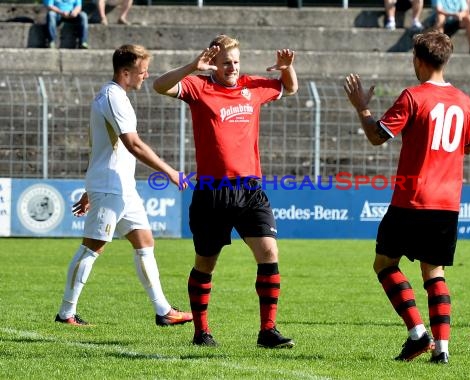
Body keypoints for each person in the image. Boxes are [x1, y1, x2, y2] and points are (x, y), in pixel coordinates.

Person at [153, 34, 298, 348]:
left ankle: (267, 331)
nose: (232, 67)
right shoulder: (198, 86)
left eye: (235, 62)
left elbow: (290, 88)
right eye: (225, 63)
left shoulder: (253, 86)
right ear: (213, 63)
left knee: (269, 252)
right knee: (206, 263)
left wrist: (286, 69)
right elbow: (159, 86)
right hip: (212, 193)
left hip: (249, 189)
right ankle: (201, 332)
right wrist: (193, 66)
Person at [343, 31, 470, 364]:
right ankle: (442, 350)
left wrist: (362, 108)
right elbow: (468, 146)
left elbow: (377, 136)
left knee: (385, 264)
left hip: (413, 198)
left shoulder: (414, 97)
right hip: (447, 203)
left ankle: (418, 333)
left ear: (418, 60)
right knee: (435, 272)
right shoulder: (463, 100)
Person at [55, 44, 193, 328]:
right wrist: (170, 172)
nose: (146, 75)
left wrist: (91, 187)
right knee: (93, 247)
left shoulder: (116, 96)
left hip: (119, 186)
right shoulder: (113, 97)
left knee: (145, 243)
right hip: (110, 187)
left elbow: (104, 148)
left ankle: (163, 310)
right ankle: (66, 313)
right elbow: (133, 144)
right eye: (142, 71)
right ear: (126, 72)